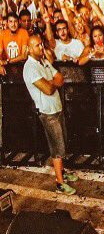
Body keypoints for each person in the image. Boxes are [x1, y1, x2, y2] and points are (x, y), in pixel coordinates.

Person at [23, 35, 75, 195]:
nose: (41, 47)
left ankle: (62, 172)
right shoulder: (30, 68)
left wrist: (51, 81)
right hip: (47, 112)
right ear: (30, 48)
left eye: (41, 44)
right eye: (37, 45)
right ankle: (60, 183)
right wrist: (52, 82)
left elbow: (60, 77)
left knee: (62, 142)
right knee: (57, 147)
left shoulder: (43, 61)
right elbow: (48, 89)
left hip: (57, 108)